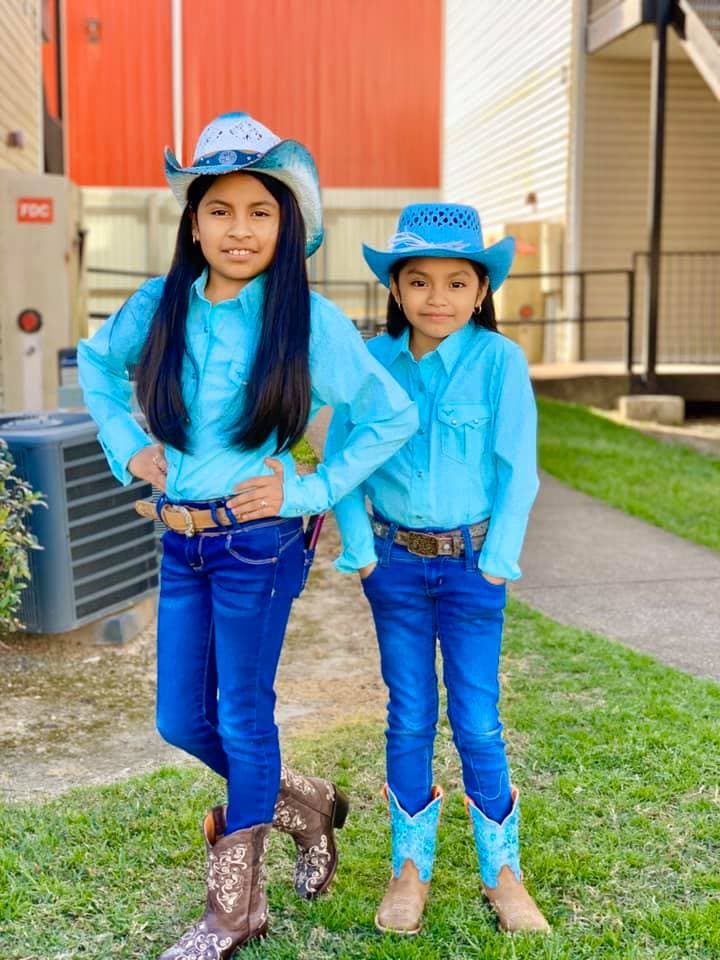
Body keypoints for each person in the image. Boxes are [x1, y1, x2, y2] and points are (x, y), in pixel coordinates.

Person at [77, 112, 417, 958]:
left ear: (286, 225)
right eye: (219, 209)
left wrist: (312, 486)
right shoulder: (158, 306)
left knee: (240, 714)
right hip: (180, 539)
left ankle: (236, 911)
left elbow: (390, 414)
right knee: (177, 719)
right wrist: (130, 449)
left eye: (258, 212)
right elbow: (93, 364)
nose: (238, 229)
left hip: (256, 546)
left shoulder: (308, 323)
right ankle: (304, 803)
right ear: (193, 221)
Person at [326, 203, 550, 936]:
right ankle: (409, 872)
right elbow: (342, 466)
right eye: (418, 281)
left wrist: (498, 560)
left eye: (457, 283)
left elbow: (517, 469)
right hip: (392, 566)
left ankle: (502, 873)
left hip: (473, 568)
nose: (438, 298)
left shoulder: (499, 363)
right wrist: (359, 551)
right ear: (395, 289)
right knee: (410, 712)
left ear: (481, 291)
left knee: (477, 721)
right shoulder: (371, 364)